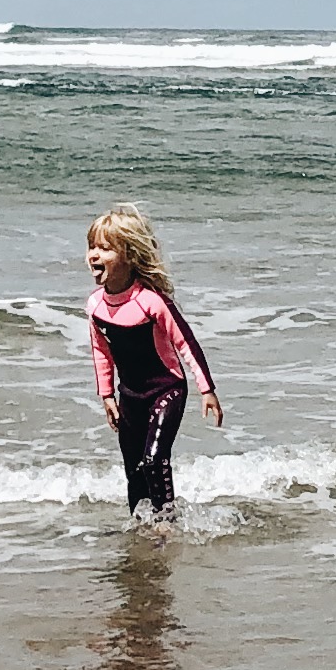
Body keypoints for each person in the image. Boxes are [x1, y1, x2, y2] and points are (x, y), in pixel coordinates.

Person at [85, 204, 223, 522]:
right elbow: (100, 350)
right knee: (133, 468)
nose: (94, 254)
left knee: (154, 459)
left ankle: (166, 523)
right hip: (129, 397)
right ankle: (140, 525)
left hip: (167, 390)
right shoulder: (95, 305)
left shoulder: (151, 302)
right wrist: (106, 395)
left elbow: (186, 343)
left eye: (105, 248)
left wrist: (207, 390)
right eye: (92, 246)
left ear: (130, 256)